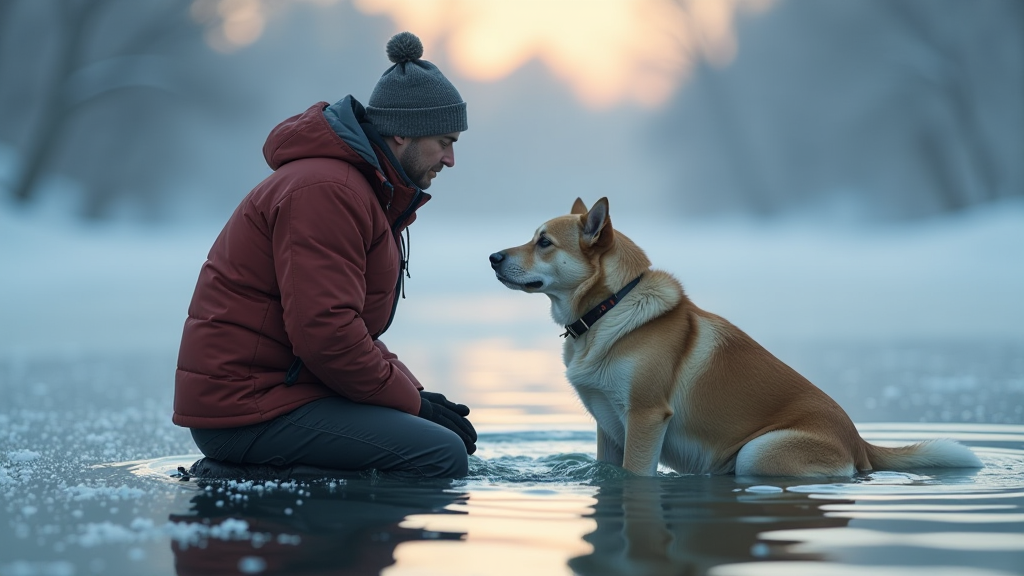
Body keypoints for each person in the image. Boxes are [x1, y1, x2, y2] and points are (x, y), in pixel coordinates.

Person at [172, 31, 477, 479]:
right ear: (400, 133)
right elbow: (325, 335)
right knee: (439, 456)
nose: (450, 159)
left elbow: (346, 326)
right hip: (248, 409)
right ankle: (244, 479)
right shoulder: (327, 192)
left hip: (286, 391)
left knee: (433, 436)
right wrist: (411, 405)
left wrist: (416, 395)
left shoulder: (360, 190)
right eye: (444, 142)